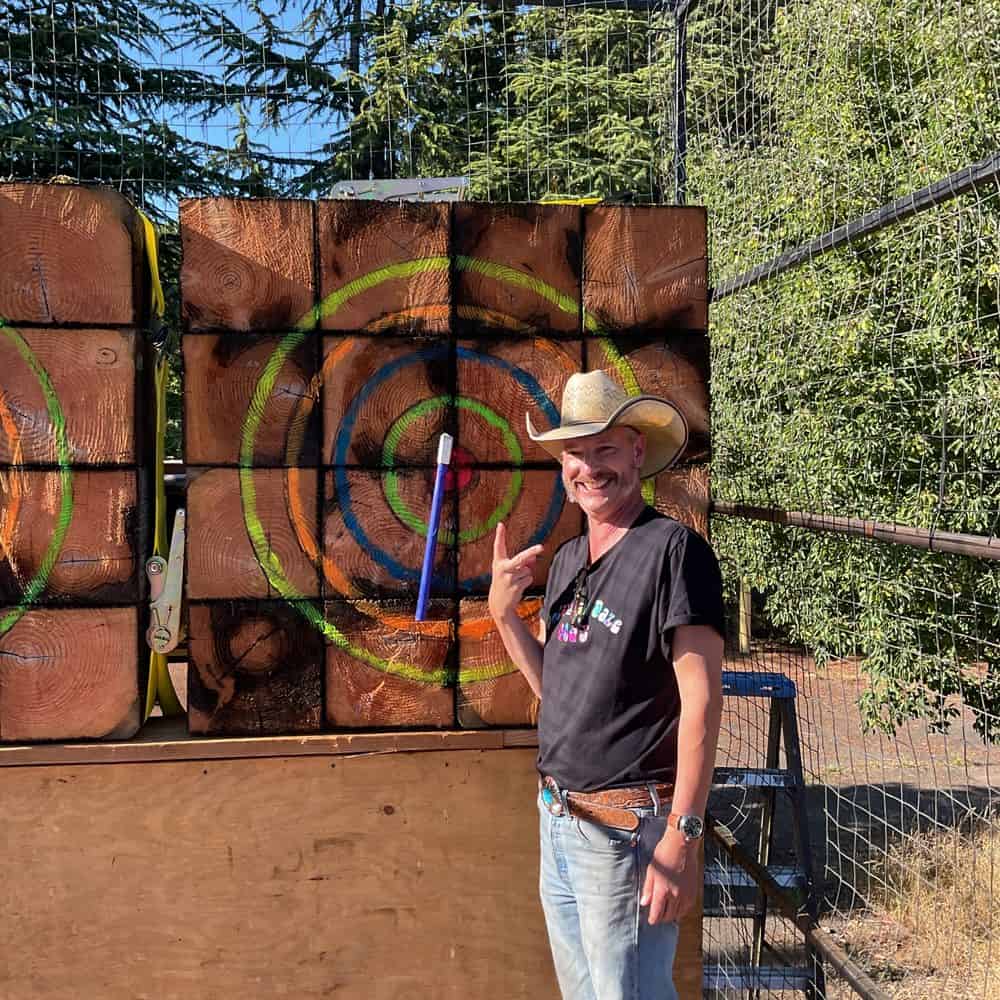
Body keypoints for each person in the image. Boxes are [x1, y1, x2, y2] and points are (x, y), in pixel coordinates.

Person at [488, 370, 725, 1000]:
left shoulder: (676, 552)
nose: (589, 468)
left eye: (606, 450)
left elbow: (701, 707)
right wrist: (504, 616)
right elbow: (556, 694)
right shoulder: (567, 560)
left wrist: (682, 836)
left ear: (638, 453)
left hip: (627, 834)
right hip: (561, 821)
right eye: (575, 453)